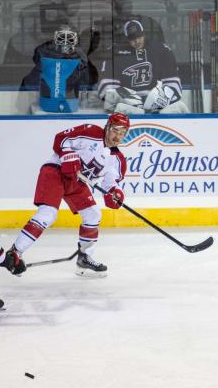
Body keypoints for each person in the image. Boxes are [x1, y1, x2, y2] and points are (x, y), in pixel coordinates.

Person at [9, 113, 130, 277]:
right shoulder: (91, 132)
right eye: (116, 131)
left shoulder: (118, 160)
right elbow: (61, 139)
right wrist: (68, 156)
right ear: (108, 127)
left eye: (123, 133)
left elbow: (110, 185)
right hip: (55, 171)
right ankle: (15, 253)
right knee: (48, 214)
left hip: (76, 182)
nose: (118, 136)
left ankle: (84, 258)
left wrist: (115, 194)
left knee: (93, 214)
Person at [97, 20, 189, 114]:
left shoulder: (161, 50)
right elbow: (107, 87)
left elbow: (173, 83)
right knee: (123, 109)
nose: (137, 41)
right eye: (132, 39)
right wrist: (129, 100)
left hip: (159, 106)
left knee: (180, 107)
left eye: (139, 37)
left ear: (144, 34)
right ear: (126, 39)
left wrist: (161, 99)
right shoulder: (114, 53)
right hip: (129, 107)